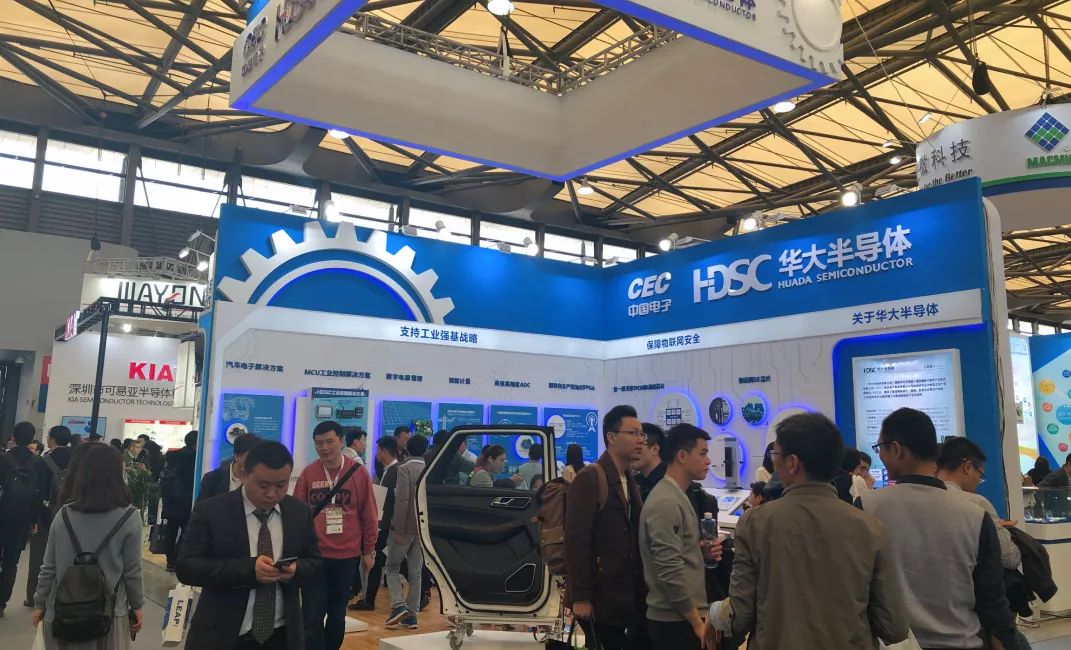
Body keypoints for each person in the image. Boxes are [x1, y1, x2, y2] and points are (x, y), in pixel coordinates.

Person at [708, 412, 909, 650]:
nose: (774, 463)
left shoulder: (755, 523)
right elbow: (894, 627)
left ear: (792, 463)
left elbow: (740, 616)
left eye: (776, 455)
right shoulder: (870, 528)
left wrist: (715, 614)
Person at [858, 408, 1018, 650]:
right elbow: (992, 601)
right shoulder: (975, 515)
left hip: (895, 645)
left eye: (880, 447)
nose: (879, 454)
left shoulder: (866, 507)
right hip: (963, 642)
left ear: (897, 449)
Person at [178, 441, 322, 650]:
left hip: (282, 637)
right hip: (224, 636)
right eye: (263, 485)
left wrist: (295, 570)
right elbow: (186, 567)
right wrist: (248, 569)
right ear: (244, 475)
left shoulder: (299, 512)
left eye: (281, 485)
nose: (272, 494)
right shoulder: (211, 512)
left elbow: (314, 561)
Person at [31, 443, 145, 649]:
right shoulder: (130, 517)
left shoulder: (64, 514)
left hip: (62, 611)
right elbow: (132, 571)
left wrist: (39, 602)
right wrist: (137, 605)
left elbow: (49, 567)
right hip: (109, 613)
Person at [564, 405, 646, 650]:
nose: (640, 440)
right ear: (611, 437)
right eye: (633, 433)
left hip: (625, 596)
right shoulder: (590, 477)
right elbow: (576, 542)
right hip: (600, 598)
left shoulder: (628, 478)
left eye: (641, 433)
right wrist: (581, 597)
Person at [294, 421, 378, 650]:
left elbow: (369, 514)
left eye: (329, 442)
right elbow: (297, 513)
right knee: (311, 614)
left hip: (346, 556)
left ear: (341, 441)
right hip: (314, 555)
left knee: (337, 614)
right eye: (319, 443)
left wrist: (369, 550)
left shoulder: (358, 472)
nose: (324, 447)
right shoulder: (309, 473)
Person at [640, 424, 721, 649]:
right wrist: (696, 622)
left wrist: (699, 553)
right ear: (682, 456)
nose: (708, 461)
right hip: (675, 621)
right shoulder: (666, 501)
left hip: (681, 616)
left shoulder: (677, 495)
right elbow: (669, 568)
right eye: (702, 453)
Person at [936, 438, 1022, 570]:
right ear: (968, 467)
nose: (978, 481)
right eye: (980, 475)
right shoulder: (977, 503)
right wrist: (999, 528)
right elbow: (1011, 558)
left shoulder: (918, 497)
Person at [0, 421, 49, 616]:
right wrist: (34, 520)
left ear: (13, 436)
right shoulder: (39, 463)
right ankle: (1, 603)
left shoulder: (3, 459)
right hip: (22, 518)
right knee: (11, 562)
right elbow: (40, 494)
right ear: (32, 439)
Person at [25, 425, 73, 608]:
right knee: (67, 555)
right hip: (70, 515)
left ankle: (34, 596)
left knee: (39, 556)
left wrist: (34, 518)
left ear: (52, 439)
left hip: (45, 515)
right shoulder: (77, 459)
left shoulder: (43, 461)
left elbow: (37, 491)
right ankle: (63, 596)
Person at [350, 436, 399, 612]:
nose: (376, 454)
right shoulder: (387, 471)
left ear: (385, 451)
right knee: (378, 561)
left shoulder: (395, 472)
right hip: (382, 524)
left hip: (386, 526)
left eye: (378, 450)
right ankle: (368, 598)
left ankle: (369, 599)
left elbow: (393, 502)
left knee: (377, 561)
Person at [385, 435, 428, 630]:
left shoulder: (404, 469)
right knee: (415, 573)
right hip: (422, 529)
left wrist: (399, 529)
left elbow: (402, 501)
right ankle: (412, 615)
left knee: (392, 567)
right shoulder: (429, 470)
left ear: (407, 449)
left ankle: (398, 604)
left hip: (404, 527)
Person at [160, 431, 198, 571]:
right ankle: (175, 558)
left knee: (171, 530)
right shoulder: (194, 458)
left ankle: (170, 560)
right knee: (187, 531)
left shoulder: (172, 456)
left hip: (171, 499)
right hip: (186, 500)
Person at [199, 433, 261, 502]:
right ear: (236, 456)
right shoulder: (213, 479)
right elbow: (200, 507)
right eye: (251, 457)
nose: (255, 461)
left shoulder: (260, 479)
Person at [634, 422, 667, 501]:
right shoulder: (635, 482)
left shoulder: (668, 482)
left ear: (654, 449)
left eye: (638, 446)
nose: (631, 451)